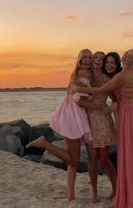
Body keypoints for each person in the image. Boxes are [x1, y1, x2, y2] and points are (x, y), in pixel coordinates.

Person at [71, 49, 133, 207]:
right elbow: (130, 87)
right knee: (132, 155)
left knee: (132, 154)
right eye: (126, 54)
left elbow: (103, 90)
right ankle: (131, 190)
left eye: (129, 57)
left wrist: (78, 89)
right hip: (127, 115)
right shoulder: (124, 73)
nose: (125, 57)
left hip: (130, 116)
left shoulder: (122, 75)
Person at [26, 49, 95, 201]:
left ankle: (71, 195)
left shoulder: (82, 74)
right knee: (74, 160)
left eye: (90, 57)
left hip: (78, 115)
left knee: (73, 160)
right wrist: (98, 105)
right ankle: (45, 143)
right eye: (85, 57)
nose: (88, 60)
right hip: (73, 116)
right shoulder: (81, 74)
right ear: (79, 59)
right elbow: (78, 100)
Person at [79, 51, 117, 203]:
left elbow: (116, 100)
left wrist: (111, 108)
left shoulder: (107, 79)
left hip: (102, 121)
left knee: (104, 159)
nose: (98, 60)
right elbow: (78, 98)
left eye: (102, 59)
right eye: (96, 58)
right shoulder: (85, 76)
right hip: (88, 119)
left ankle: (116, 188)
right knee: (92, 159)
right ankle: (94, 192)